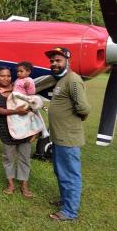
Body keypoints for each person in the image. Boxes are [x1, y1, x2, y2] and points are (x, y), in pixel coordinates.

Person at [45, 47, 91, 221]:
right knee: (60, 171)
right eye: (52, 61)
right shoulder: (61, 79)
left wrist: (81, 116)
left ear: (67, 61)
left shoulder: (72, 80)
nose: (54, 63)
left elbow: (84, 108)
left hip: (68, 137)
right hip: (59, 137)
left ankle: (70, 211)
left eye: (58, 60)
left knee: (70, 174)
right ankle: (66, 201)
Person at [0, 66, 33, 198]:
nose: (6, 78)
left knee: (24, 158)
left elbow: (31, 102)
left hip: (24, 130)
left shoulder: (18, 89)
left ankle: (24, 185)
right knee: (8, 158)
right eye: (2, 76)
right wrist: (17, 111)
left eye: (8, 75)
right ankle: (11, 184)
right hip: (6, 131)